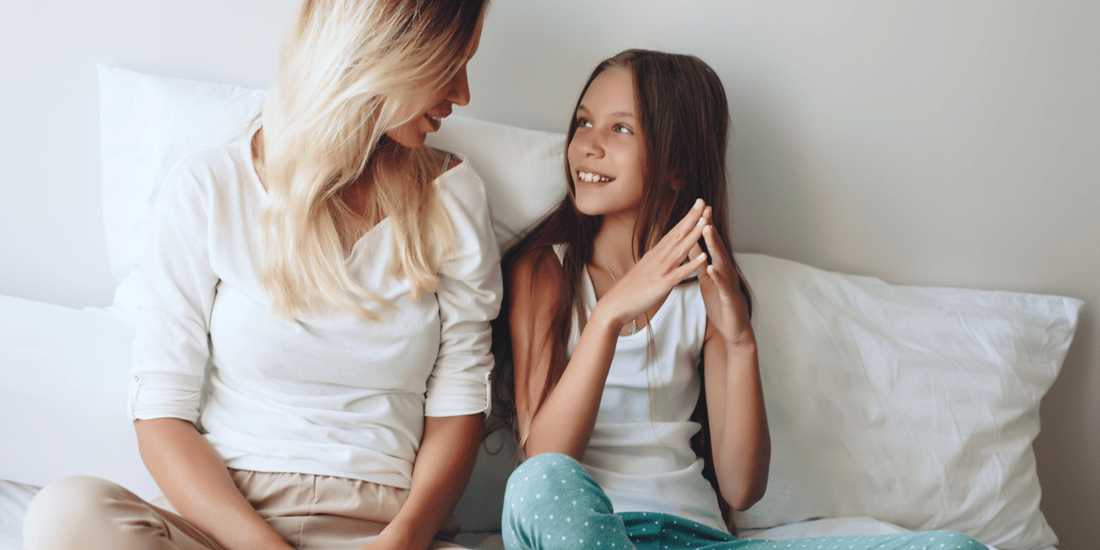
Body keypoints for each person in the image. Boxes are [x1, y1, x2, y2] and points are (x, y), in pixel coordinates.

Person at [23, 1, 498, 550]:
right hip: (224, 524)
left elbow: (460, 398)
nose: (462, 93)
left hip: (384, 529)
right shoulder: (209, 186)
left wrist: (407, 537)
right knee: (68, 515)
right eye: (449, 64)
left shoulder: (454, 195)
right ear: (381, 51)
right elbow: (160, 409)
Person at [493, 49, 987, 550]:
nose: (587, 145)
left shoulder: (704, 291)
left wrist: (740, 338)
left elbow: (742, 487)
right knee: (537, 484)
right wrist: (608, 316)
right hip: (589, 534)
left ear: (677, 167)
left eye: (621, 129)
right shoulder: (545, 272)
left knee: (954, 548)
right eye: (583, 122)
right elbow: (544, 458)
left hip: (699, 538)